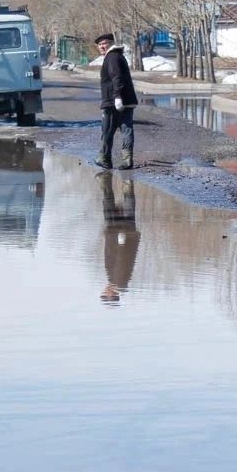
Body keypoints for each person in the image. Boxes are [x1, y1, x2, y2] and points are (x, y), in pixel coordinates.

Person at [95, 32, 139, 169]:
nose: (102, 46)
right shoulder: (117, 55)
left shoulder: (112, 57)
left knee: (107, 130)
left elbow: (116, 77)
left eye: (105, 43)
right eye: (100, 44)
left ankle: (105, 159)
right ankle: (127, 159)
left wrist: (117, 97)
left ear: (111, 44)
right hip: (125, 100)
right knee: (126, 129)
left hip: (113, 101)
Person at [99, 173, 140, 304]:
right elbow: (123, 258)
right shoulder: (119, 280)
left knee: (111, 203)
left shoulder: (116, 280)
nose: (104, 290)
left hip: (116, 233)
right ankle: (123, 179)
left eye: (104, 293)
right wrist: (122, 238)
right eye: (105, 293)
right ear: (111, 295)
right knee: (115, 203)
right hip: (120, 233)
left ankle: (111, 180)